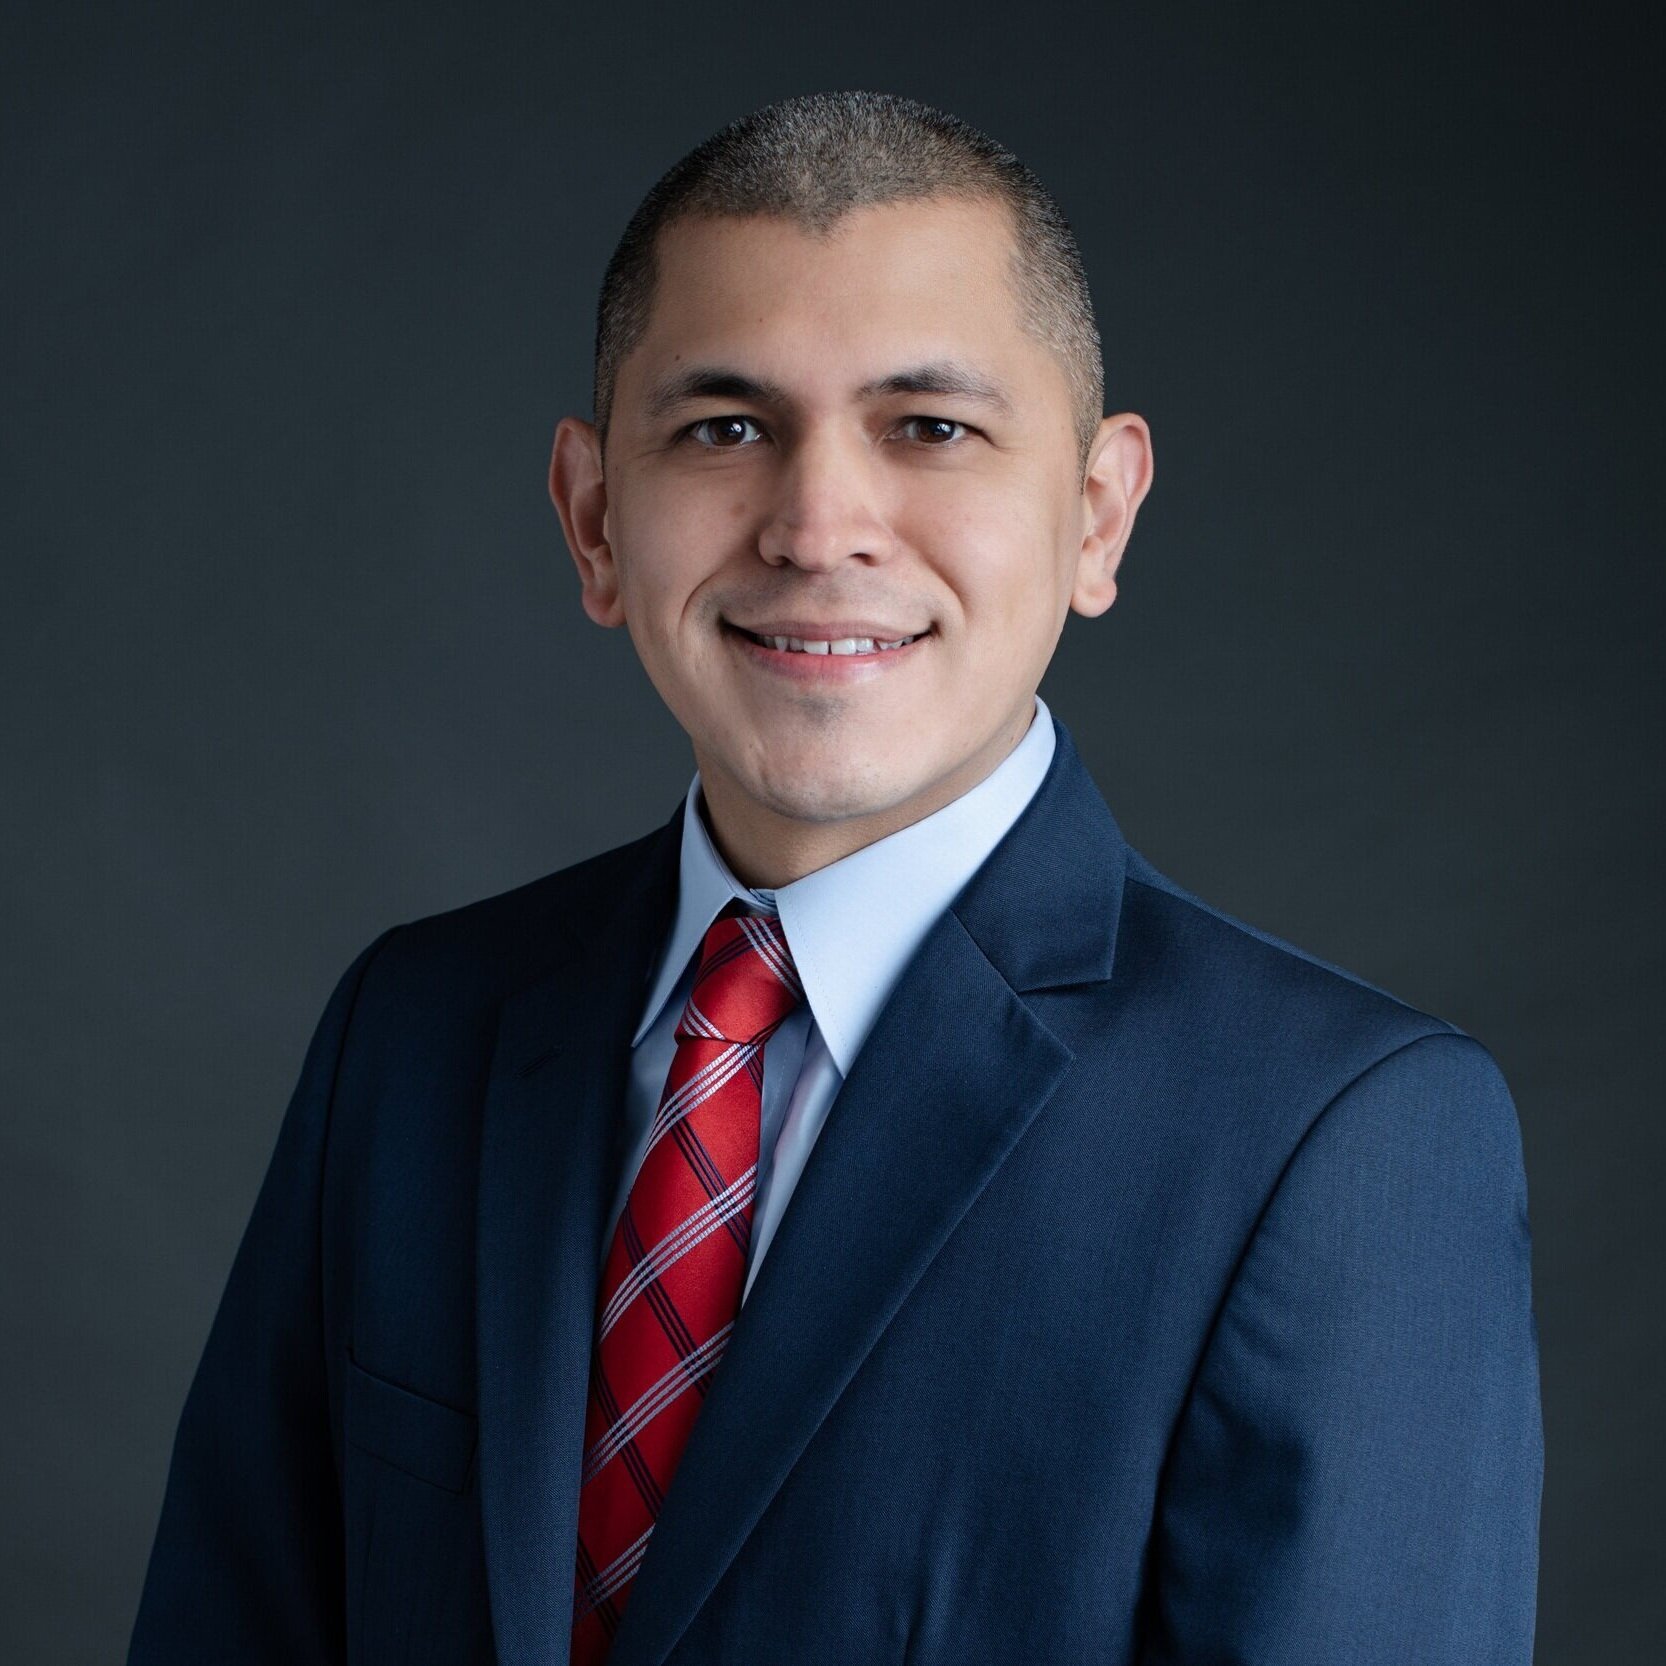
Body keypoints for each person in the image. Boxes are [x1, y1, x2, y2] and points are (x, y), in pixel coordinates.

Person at [128, 91, 1542, 1666]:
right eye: (725, 428)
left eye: (928, 427)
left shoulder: (1338, 1137)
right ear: (594, 520)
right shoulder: (412, 1033)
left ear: (1095, 514)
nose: (815, 527)